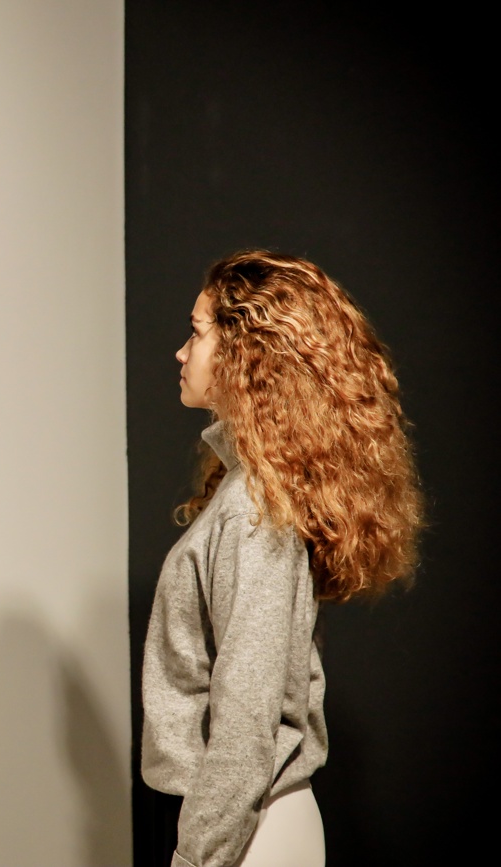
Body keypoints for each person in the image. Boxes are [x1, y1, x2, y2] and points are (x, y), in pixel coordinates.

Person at [142, 251, 424, 867]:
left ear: (247, 353)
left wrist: (196, 859)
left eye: (196, 332)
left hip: (245, 833)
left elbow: (245, 721)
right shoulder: (247, 489)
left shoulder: (251, 512)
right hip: (241, 823)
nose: (181, 353)